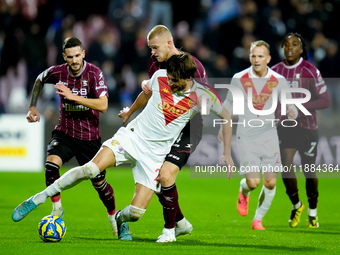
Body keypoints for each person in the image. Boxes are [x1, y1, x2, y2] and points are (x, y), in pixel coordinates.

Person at [12, 53, 234, 242]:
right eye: (169, 78)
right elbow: (145, 95)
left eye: (175, 80)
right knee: (92, 169)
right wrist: (129, 113)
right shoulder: (160, 77)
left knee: (136, 214)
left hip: (155, 155)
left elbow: (227, 116)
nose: (170, 83)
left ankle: (119, 218)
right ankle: (38, 198)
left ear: (188, 77)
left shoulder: (205, 96)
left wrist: (226, 152)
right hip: (132, 137)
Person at [119, 25, 208, 242]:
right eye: (150, 49)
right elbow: (153, 92)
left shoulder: (193, 65)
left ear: (169, 43)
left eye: (155, 48)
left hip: (188, 127)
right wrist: (133, 108)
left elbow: (202, 100)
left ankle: (170, 230)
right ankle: (180, 223)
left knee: (165, 175)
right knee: (158, 177)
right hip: (163, 127)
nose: (152, 53)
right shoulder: (154, 64)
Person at [25, 37, 117, 235]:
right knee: (51, 164)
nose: (74, 60)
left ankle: (114, 217)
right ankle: (57, 208)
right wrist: (32, 106)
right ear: (64, 57)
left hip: (89, 139)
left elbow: (103, 105)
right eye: (70, 57)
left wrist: (73, 96)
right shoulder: (58, 72)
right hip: (65, 132)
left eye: (77, 55)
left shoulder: (94, 73)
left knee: (100, 185)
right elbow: (40, 79)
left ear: (83, 53)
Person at [218, 40, 297, 230]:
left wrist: (292, 110)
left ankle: (257, 219)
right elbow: (227, 105)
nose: (256, 59)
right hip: (246, 136)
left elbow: (290, 103)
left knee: (270, 182)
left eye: (260, 56)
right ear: (249, 57)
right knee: (253, 182)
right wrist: (222, 127)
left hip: (269, 135)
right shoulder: (239, 78)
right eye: (253, 56)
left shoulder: (278, 80)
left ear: (268, 58)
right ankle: (244, 191)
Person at [271, 32, 330, 228]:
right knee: (286, 167)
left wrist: (300, 107)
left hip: (307, 127)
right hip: (285, 127)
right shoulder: (275, 71)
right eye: (286, 44)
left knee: (309, 169)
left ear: (302, 49)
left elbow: (325, 100)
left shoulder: (310, 70)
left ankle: (313, 211)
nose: (290, 47)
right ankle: (297, 205)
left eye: (295, 44)